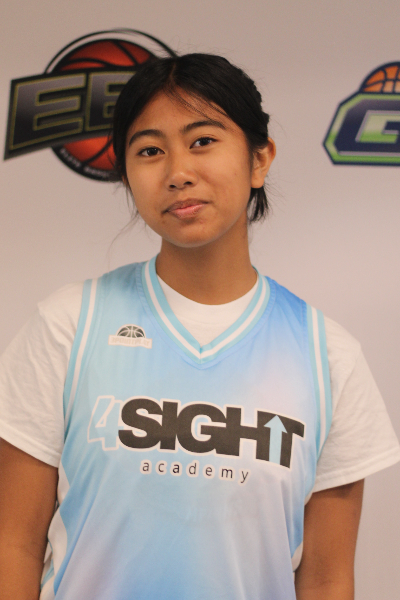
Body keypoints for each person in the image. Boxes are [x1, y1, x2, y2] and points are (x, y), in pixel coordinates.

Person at [0, 53, 399, 600]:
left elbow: (327, 579)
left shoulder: (328, 356)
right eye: (150, 151)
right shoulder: (68, 325)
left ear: (259, 160)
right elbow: (14, 545)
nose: (178, 172)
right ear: (126, 174)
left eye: (203, 141)